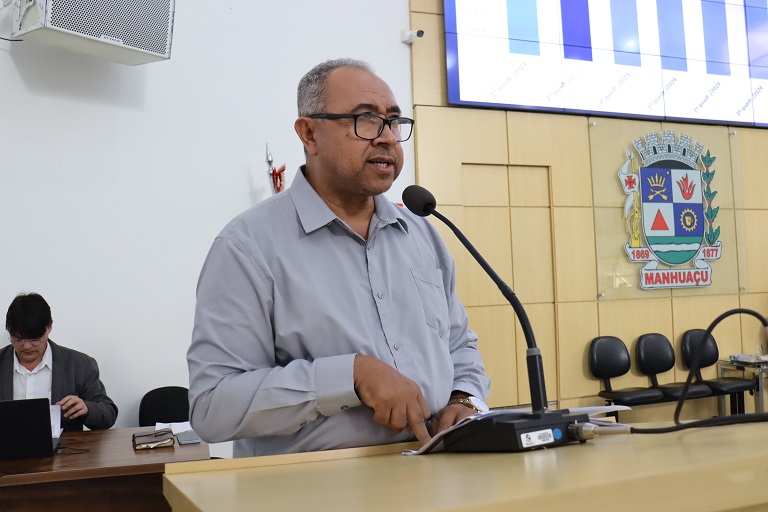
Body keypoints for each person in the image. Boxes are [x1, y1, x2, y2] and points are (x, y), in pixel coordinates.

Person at [187, 58, 491, 457]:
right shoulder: (248, 245)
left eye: (393, 121)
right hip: (316, 482)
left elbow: (460, 344)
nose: (387, 138)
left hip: (435, 467)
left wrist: (464, 399)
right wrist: (350, 376)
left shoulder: (421, 233)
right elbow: (213, 407)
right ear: (309, 133)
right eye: (366, 120)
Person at [0, 292, 118, 431]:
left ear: (49, 327)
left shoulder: (79, 365)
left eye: (34, 339)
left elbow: (108, 414)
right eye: (18, 339)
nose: (26, 346)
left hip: (63, 444)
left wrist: (87, 408)